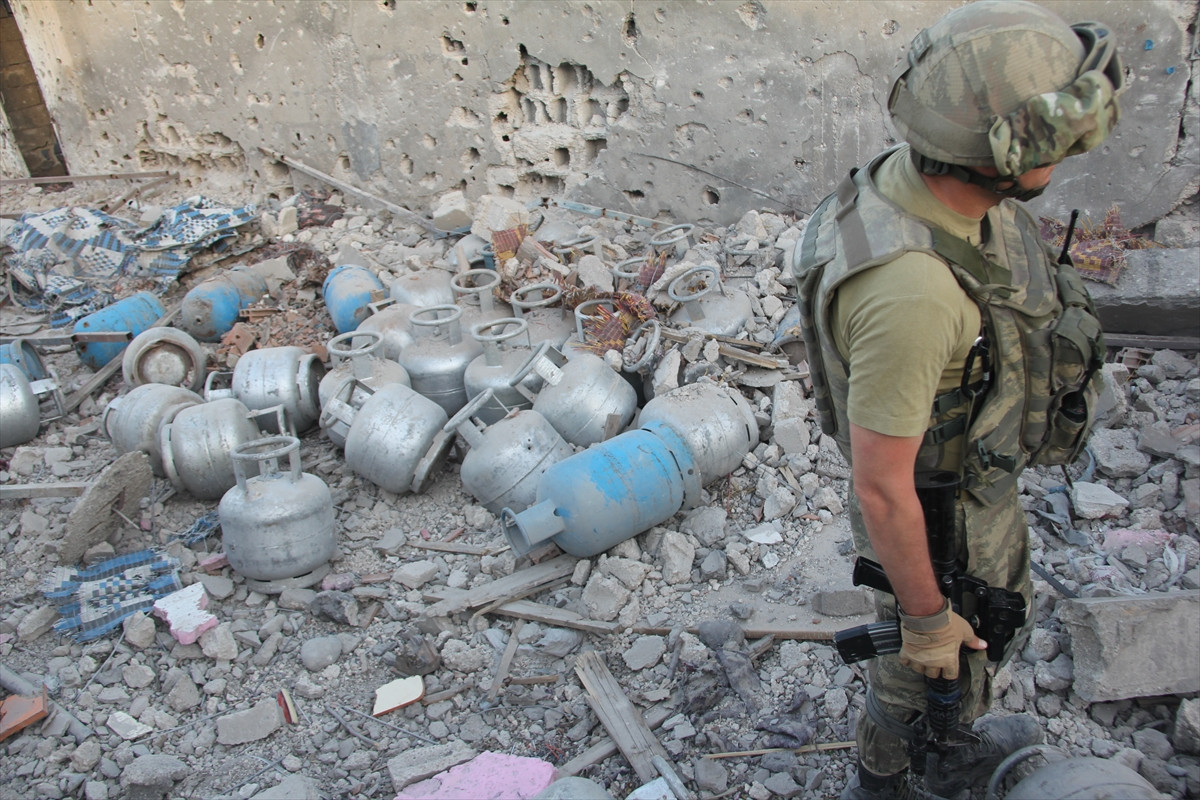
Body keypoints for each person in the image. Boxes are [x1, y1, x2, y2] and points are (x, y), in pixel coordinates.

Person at [791, 2, 1124, 798]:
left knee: (955, 642)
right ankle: (895, 776)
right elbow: (882, 487)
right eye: (1058, 141)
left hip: (956, 474)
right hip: (938, 510)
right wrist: (927, 616)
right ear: (1006, 156)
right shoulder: (915, 294)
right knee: (935, 659)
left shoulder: (909, 186)